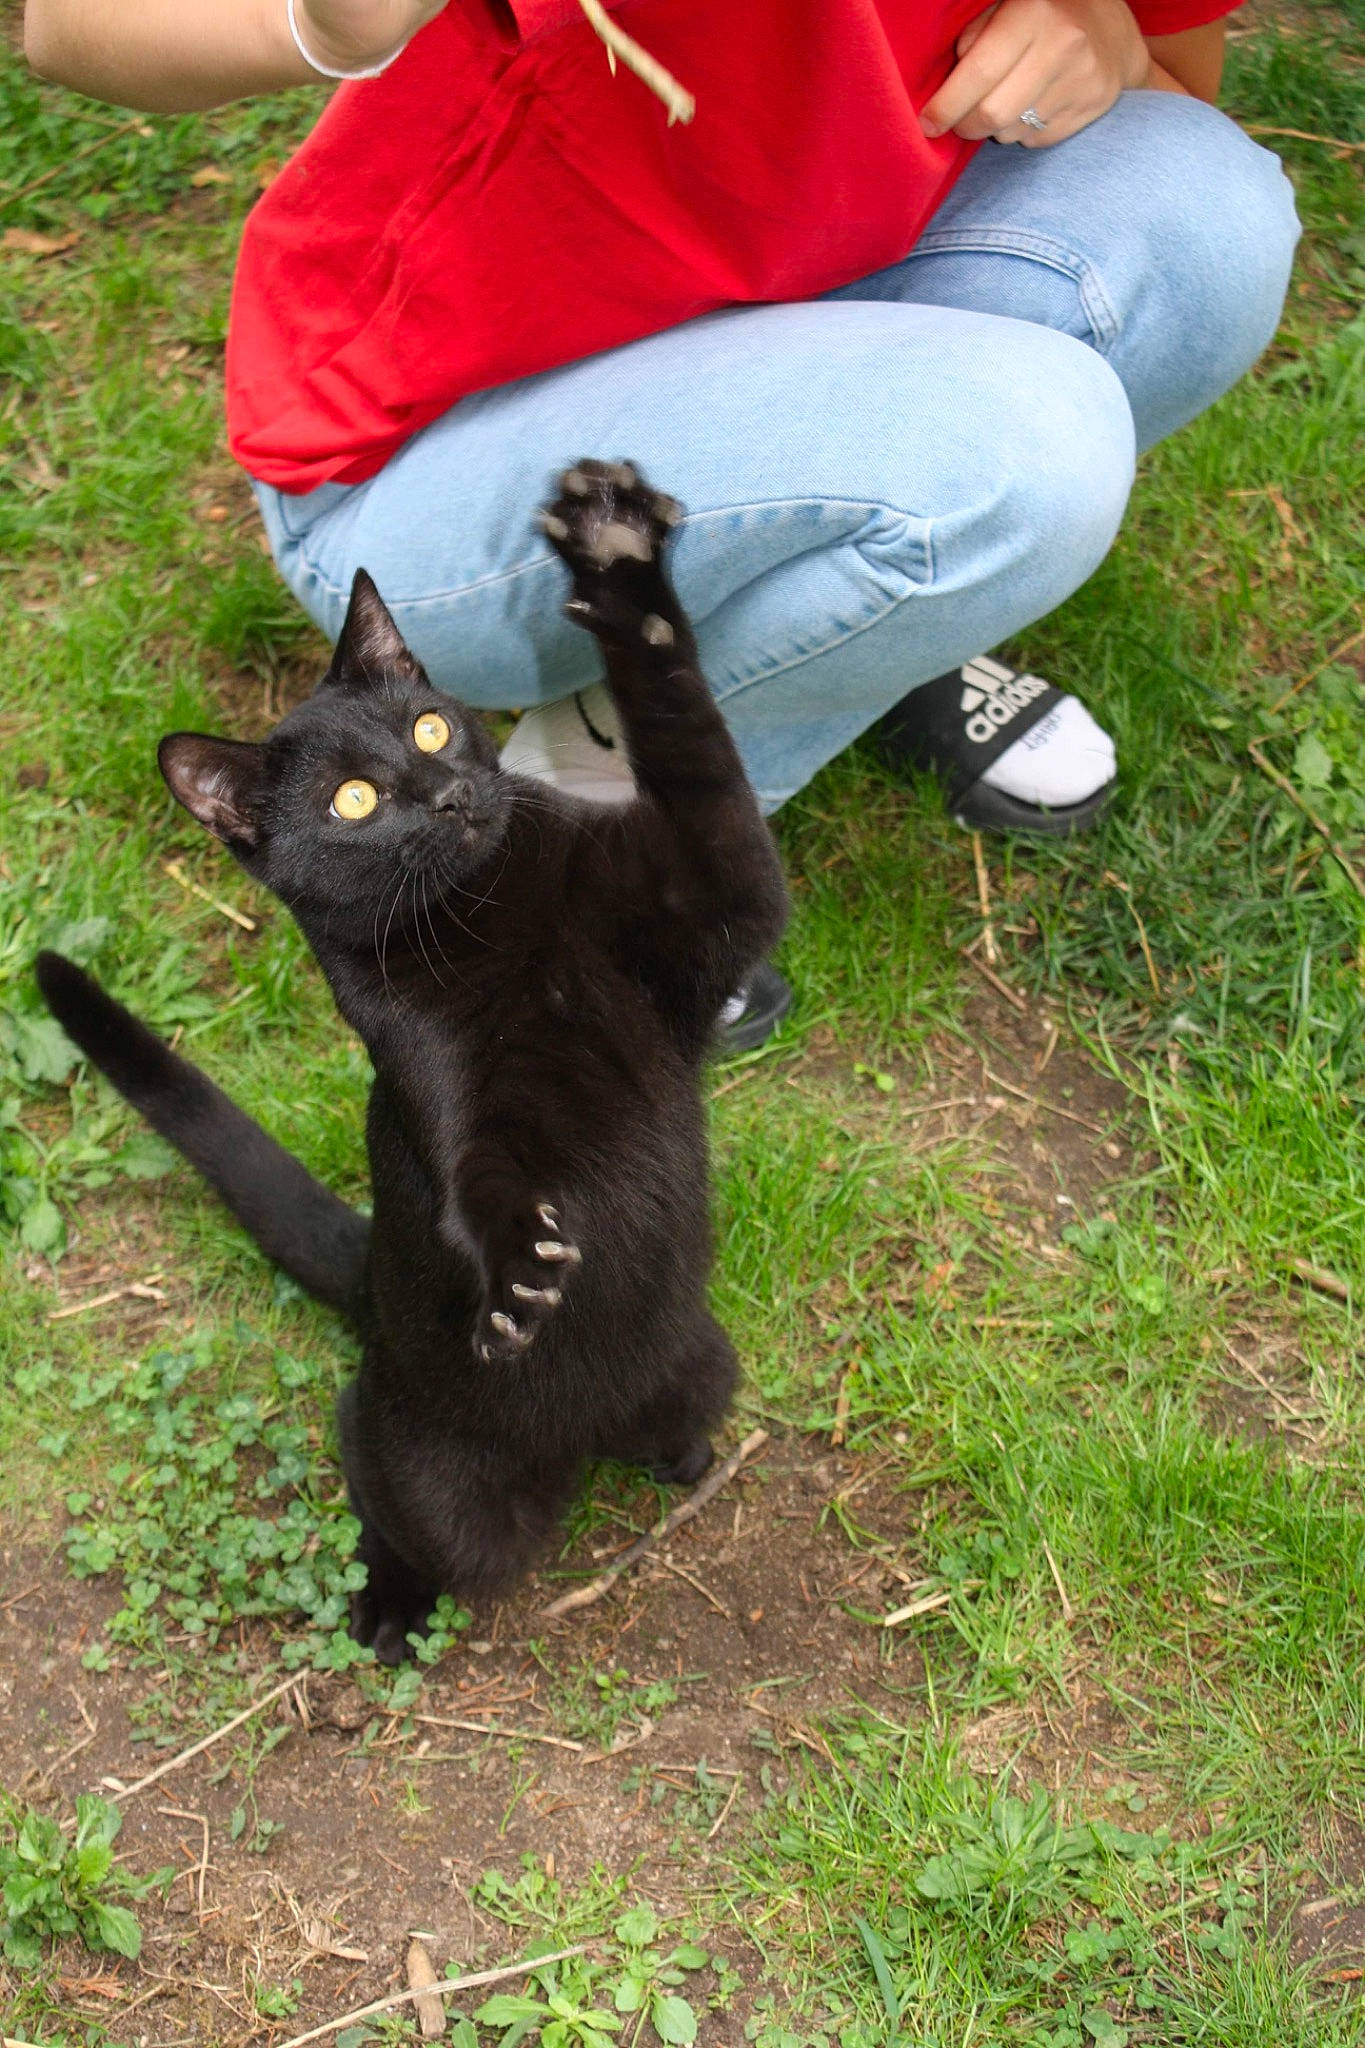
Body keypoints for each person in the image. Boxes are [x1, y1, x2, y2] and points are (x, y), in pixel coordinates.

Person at [27, 0, 1299, 1047]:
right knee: (1028, 454)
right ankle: (588, 856)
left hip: (786, 338)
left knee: (1212, 223)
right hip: (428, 454)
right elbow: (72, 28)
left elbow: (1175, 88)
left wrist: (1107, 42)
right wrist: (324, 17)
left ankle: (875, 609)